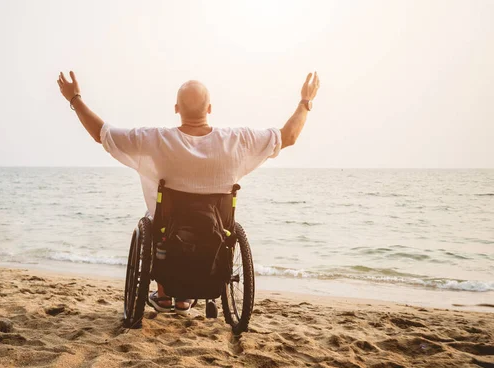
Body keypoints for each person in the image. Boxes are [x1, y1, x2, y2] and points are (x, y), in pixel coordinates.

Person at [57, 71, 320, 315]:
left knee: (155, 222)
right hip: (216, 230)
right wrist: (305, 101)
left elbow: (101, 134)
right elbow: (288, 136)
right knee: (170, 222)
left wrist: (74, 99)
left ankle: (164, 296)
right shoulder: (237, 140)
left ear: (176, 109)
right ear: (209, 109)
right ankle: (185, 300)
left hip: (167, 232)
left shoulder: (155, 139)